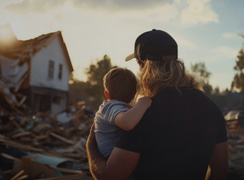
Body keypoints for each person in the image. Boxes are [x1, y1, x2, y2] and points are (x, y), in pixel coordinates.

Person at [86, 29, 228, 180]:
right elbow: (220, 169)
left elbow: (110, 176)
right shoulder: (210, 108)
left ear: (143, 65)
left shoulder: (144, 113)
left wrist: (91, 146)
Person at [94, 67, 151, 159]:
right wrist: (144, 102)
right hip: (111, 156)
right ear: (133, 96)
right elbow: (126, 123)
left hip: (117, 155)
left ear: (106, 94)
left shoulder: (118, 108)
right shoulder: (111, 107)